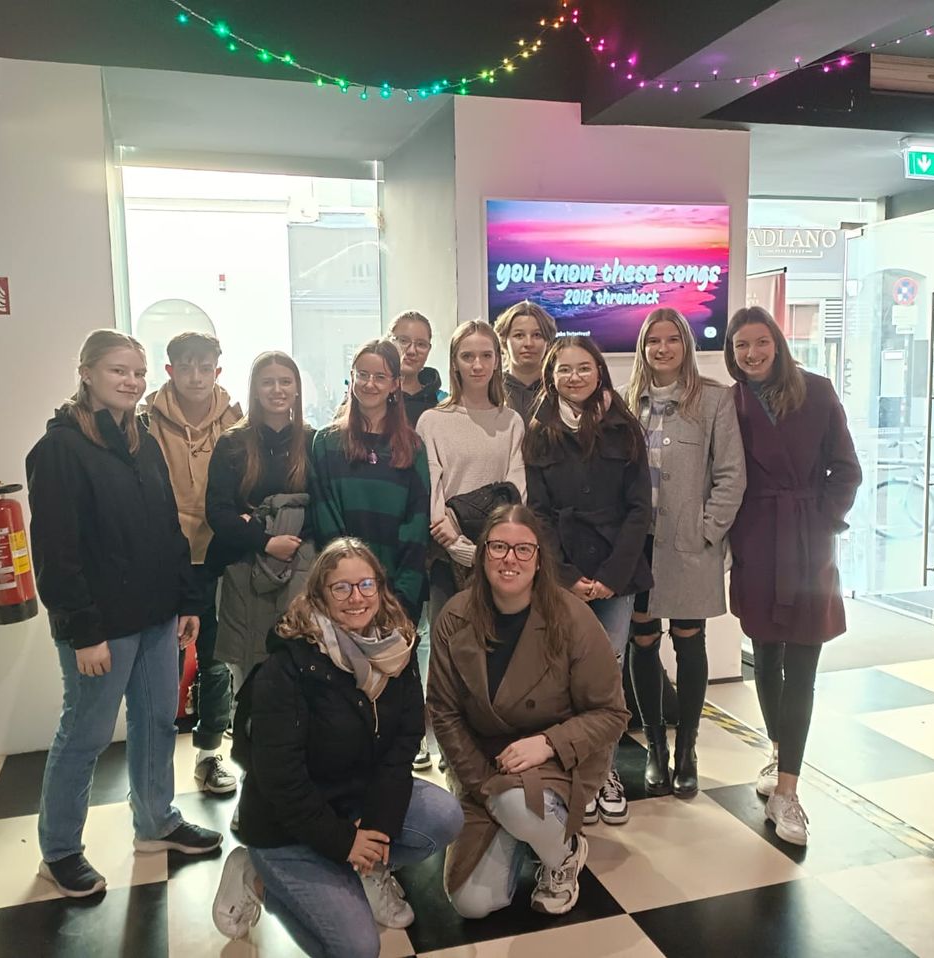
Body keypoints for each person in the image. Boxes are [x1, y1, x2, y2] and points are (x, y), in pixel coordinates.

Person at [25, 329, 222, 898]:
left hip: (157, 616)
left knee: (159, 723)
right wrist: (82, 633)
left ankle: (156, 822)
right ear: (86, 372)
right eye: (118, 371)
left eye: (137, 373)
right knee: (85, 736)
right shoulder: (60, 449)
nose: (131, 382)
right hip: (101, 627)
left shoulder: (141, 440)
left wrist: (185, 600)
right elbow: (56, 555)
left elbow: (168, 529)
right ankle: (59, 850)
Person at [211, 538, 463, 956]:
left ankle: (368, 869)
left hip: (355, 804)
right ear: (320, 595)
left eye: (365, 585)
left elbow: (402, 747)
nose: (355, 598)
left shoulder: (396, 654)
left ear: (381, 589)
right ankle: (256, 875)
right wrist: (345, 843)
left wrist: (377, 828)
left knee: (445, 815)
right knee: (358, 949)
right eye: (340, 588)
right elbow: (282, 781)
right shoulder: (287, 667)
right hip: (286, 827)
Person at [427, 505, 627, 919]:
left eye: (523, 549)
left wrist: (549, 742)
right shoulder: (454, 617)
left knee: (518, 804)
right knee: (472, 904)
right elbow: (443, 712)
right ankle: (527, 831)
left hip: (557, 760)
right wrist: (481, 783)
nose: (509, 558)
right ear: (482, 555)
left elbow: (611, 713)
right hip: (482, 762)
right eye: (498, 546)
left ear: (539, 560)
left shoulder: (572, 617)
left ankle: (564, 853)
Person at [725, 306, 861, 846]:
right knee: (765, 650)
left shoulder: (819, 391)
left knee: (803, 658)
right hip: (758, 537)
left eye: (761, 343)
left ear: (777, 344)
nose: (752, 355)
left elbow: (846, 468)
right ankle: (778, 751)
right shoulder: (729, 402)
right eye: (741, 348)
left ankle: (788, 789)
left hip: (808, 541)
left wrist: (823, 517)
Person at [524, 335, 651, 826]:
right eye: (564, 370)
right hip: (564, 575)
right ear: (550, 376)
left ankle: (606, 770)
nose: (574, 377)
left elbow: (640, 508)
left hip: (618, 575)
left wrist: (612, 577)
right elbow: (539, 513)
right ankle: (575, 768)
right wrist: (569, 576)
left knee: (608, 674)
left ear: (599, 370)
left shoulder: (625, 428)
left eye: (584, 367)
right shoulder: (539, 431)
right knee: (565, 674)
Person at [624, 309, 745, 797]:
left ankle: (687, 748)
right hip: (640, 543)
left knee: (690, 639)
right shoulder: (626, 401)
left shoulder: (714, 399)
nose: (663, 348)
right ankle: (655, 745)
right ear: (643, 348)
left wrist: (708, 529)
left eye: (673, 339)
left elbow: (731, 473)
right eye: (654, 340)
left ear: (687, 345)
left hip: (690, 542)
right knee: (644, 639)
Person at [415, 320, 526, 769]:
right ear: (455, 363)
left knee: (495, 655)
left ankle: (486, 740)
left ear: (498, 360)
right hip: (448, 559)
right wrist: (463, 551)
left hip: (501, 559)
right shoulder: (433, 420)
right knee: (449, 656)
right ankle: (444, 742)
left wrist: (492, 554)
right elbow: (432, 493)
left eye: (486, 355)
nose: (477, 365)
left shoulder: (511, 420)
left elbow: (517, 491)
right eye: (467, 356)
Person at [141, 331, 243, 797]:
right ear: (170, 371)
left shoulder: (236, 419)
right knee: (163, 661)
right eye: (186, 366)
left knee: (217, 659)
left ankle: (208, 754)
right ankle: (153, 775)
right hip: (163, 557)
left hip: (221, 555)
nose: (196, 376)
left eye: (205, 367)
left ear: (218, 370)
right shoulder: (144, 421)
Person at [204, 350, 314, 696]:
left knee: (299, 669)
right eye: (268, 382)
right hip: (243, 570)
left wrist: (291, 540)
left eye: (285, 381)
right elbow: (218, 512)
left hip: (299, 567)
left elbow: (323, 506)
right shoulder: (232, 443)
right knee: (248, 677)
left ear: (297, 388)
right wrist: (265, 540)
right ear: (255, 389)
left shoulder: (313, 442)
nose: (277, 389)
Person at [310, 338, 430, 622]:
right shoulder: (326, 442)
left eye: (380, 377)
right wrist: (353, 587)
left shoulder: (412, 447)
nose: (369, 384)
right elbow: (325, 519)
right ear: (351, 378)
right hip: (342, 593)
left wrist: (399, 597)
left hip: (397, 594)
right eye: (362, 375)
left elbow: (416, 528)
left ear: (395, 384)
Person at [493, 300, 557, 424]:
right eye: (519, 335)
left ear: (548, 342)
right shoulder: (491, 390)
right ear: (504, 341)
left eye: (537, 335)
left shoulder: (559, 390)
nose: (528, 343)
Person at [390, 310, 446, 427]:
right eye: (404, 341)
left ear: (429, 350)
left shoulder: (443, 403)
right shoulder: (373, 394)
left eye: (421, 344)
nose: (411, 351)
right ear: (389, 342)